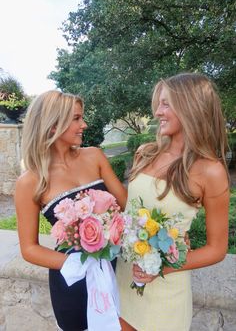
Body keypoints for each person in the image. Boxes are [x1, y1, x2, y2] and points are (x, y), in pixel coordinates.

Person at [116, 72, 229, 331]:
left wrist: (163, 267)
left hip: (165, 292)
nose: (157, 112)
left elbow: (216, 249)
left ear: (190, 107)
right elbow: (130, 210)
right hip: (123, 280)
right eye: (159, 103)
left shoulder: (211, 171)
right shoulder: (145, 153)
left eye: (166, 103)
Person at [14, 90, 127, 331]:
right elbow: (29, 248)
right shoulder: (29, 181)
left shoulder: (95, 156)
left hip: (114, 269)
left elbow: (127, 207)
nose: (83, 124)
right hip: (72, 280)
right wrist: (77, 264)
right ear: (53, 125)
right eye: (76, 118)